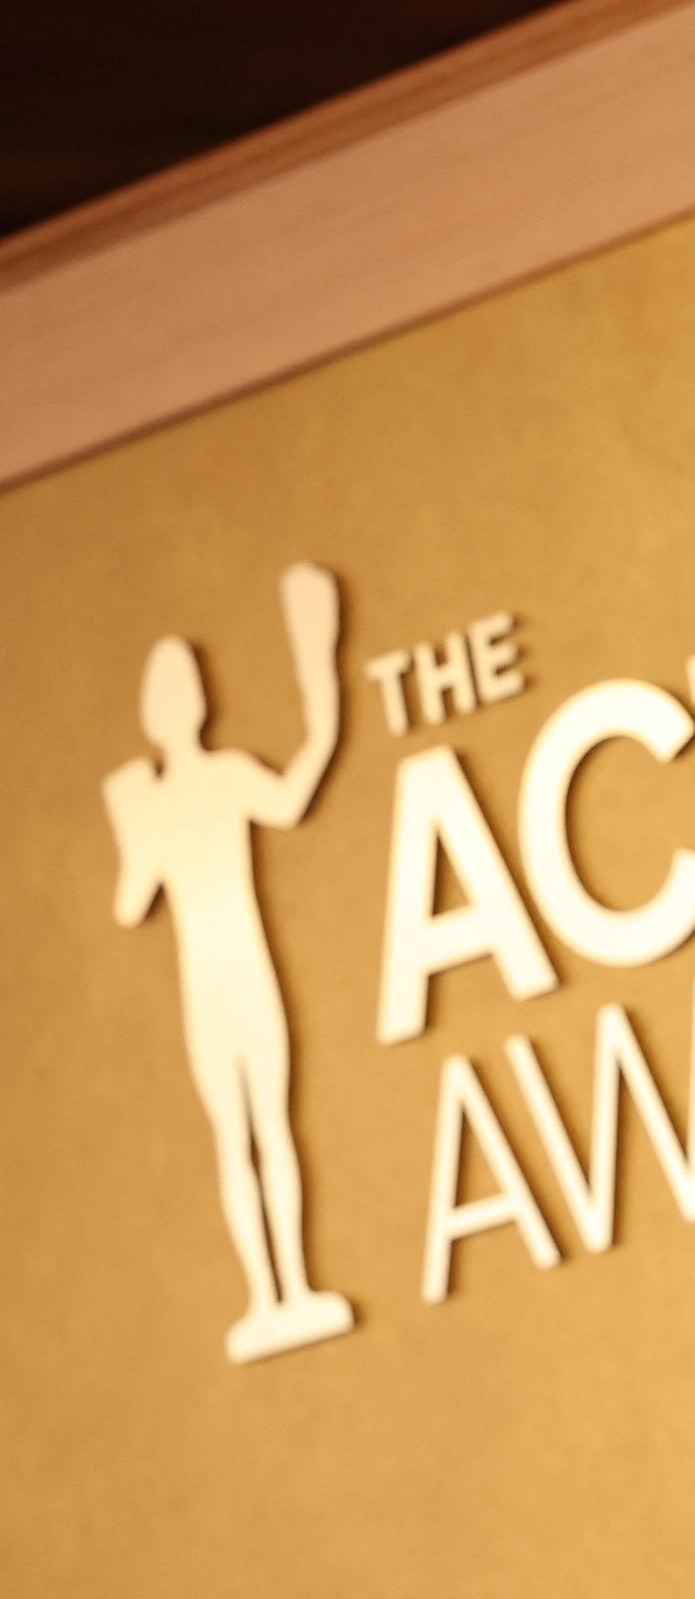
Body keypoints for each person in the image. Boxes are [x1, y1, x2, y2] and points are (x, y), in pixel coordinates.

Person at [103, 561, 354, 1364]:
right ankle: (267, 1296)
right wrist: (126, 814)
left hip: (241, 979)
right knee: (242, 1138)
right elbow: (132, 896)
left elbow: (292, 790)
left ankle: (291, 1292)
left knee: (266, 1133)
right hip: (212, 987)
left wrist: (321, 667)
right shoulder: (153, 798)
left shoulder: (215, 779)